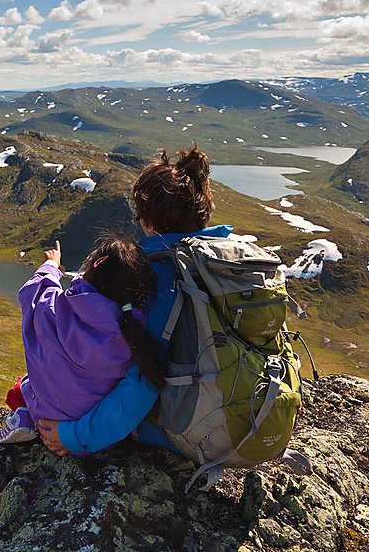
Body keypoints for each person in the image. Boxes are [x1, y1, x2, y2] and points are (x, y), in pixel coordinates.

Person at [37, 144, 234, 456]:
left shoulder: (162, 280)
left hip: (202, 427)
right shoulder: (227, 261)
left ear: (147, 222)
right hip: (250, 412)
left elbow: (144, 382)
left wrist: (72, 435)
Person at [0, 236, 164, 452]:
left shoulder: (54, 305)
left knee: (28, 381)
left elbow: (34, 291)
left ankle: (24, 417)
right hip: (91, 437)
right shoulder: (132, 336)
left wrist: (51, 265)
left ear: (87, 271)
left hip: (46, 420)